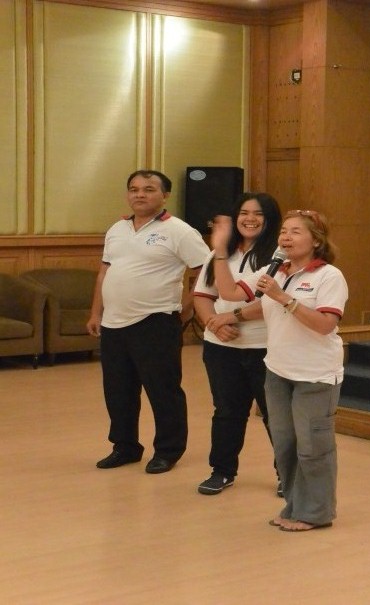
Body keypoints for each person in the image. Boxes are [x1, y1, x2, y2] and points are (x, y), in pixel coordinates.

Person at [207, 209, 348, 531]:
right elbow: (230, 293)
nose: (286, 237)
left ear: (316, 240)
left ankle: (317, 513)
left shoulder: (329, 276)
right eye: (284, 231)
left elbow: (325, 325)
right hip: (278, 371)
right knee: (286, 445)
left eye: (296, 232)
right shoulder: (276, 271)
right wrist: (220, 250)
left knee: (313, 448)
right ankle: (295, 507)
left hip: (315, 374)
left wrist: (283, 297)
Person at [87, 169, 210, 473]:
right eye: (134, 189)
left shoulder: (180, 231)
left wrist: (187, 307)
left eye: (149, 189)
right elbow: (104, 272)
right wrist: (96, 312)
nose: (140, 194)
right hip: (114, 324)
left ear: (165, 195)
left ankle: (168, 450)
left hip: (155, 322)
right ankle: (125, 447)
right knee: (118, 391)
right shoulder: (117, 229)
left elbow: (206, 273)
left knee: (163, 390)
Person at [193, 193, 282, 495]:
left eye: (258, 214)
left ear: (270, 220)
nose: (250, 219)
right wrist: (214, 324)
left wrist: (230, 318)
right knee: (226, 411)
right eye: (244, 213)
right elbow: (202, 296)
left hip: (265, 347)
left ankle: (287, 474)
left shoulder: (278, 256)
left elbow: (272, 302)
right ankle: (222, 471)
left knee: (275, 413)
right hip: (221, 348)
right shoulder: (219, 253)